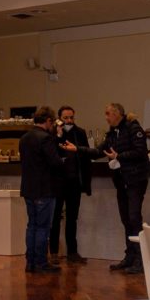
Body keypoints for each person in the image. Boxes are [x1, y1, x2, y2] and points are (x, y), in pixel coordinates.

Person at [62, 102, 149, 274]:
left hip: (135, 180)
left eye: (108, 114)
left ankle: (140, 260)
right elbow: (97, 152)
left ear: (117, 114)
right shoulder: (112, 134)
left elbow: (141, 152)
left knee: (134, 219)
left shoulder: (133, 128)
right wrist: (76, 149)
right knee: (126, 220)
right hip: (121, 182)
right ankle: (129, 257)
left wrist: (119, 156)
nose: (106, 117)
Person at [19, 106, 66, 273]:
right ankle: (40, 262)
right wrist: (63, 160)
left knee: (31, 225)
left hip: (28, 188)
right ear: (48, 120)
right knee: (42, 227)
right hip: (44, 189)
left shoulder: (24, 138)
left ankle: (30, 262)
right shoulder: (45, 138)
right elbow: (55, 162)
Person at [49, 105, 92, 264]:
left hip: (74, 181)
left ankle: (72, 252)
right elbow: (51, 153)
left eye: (71, 117)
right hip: (58, 182)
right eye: (65, 118)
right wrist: (58, 135)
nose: (69, 120)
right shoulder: (53, 133)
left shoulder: (79, 132)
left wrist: (86, 183)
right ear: (59, 118)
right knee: (55, 218)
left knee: (72, 218)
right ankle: (53, 252)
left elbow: (85, 155)